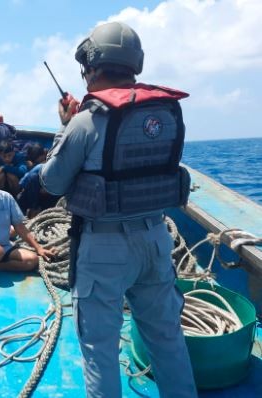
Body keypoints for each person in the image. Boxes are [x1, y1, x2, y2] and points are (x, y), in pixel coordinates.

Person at [40, 22, 196, 398]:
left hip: (104, 249)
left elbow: (51, 182)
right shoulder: (169, 113)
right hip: (156, 239)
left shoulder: (86, 120)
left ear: (93, 66)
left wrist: (65, 128)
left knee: (100, 351)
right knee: (168, 341)